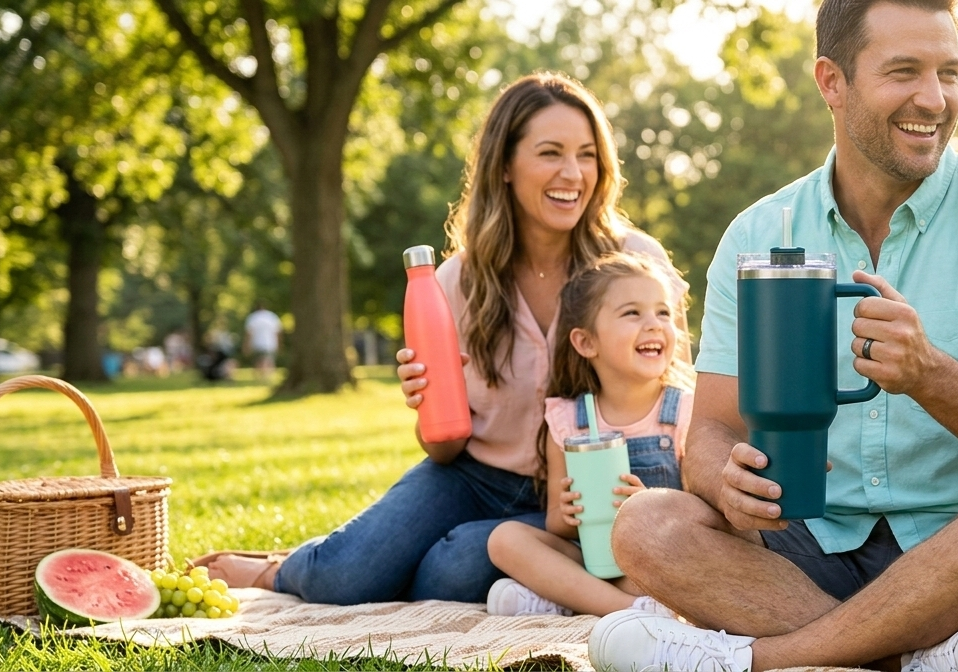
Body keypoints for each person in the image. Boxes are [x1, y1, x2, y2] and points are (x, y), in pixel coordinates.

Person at [589, 2, 958, 670]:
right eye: (904, 72)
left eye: (949, 73)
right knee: (646, 522)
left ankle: (756, 661)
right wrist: (723, 479)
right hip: (803, 552)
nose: (935, 99)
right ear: (832, 82)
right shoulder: (758, 233)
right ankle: (918, 659)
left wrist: (931, 376)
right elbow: (711, 429)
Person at [198, 71, 689, 605]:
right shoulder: (455, 281)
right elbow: (444, 446)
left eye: (587, 155)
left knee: (449, 574)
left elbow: (675, 384)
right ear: (504, 166)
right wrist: (427, 403)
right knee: (342, 576)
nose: (572, 173)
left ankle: (371, 560)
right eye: (550, 153)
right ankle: (283, 568)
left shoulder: (636, 263)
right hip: (471, 476)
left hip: (574, 491)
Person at [485, 252, 692, 617]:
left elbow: (703, 517)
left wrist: (652, 507)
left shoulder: (683, 413)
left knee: (679, 570)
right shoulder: (567, 421)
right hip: (595, 559)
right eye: (632, 313)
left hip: (661, 561)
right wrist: (568, 514)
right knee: (504, 540)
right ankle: (628, 609)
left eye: (663, 312)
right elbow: (556, 523)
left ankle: (572, 599)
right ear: (586, 343)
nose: (654, 324)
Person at [243, 302, 282, 382]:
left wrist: (246, 346)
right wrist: (279, 344)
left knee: (258, 361)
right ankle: (268, 377)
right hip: (270, 343)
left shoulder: (253, 318)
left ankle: (259, 378)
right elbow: (278, 333)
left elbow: (249, 334)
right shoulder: (272, 317)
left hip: (257, 343)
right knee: (269, 361)